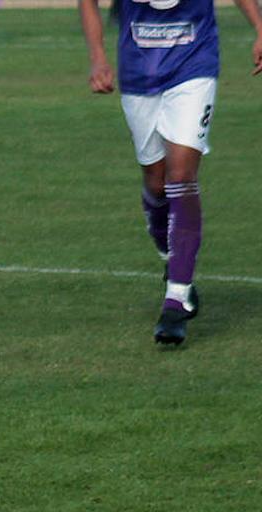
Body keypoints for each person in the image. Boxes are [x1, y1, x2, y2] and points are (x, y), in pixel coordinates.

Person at [79, 0, 262, 345]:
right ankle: (172, 257)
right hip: (139, 72)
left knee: (181, 176)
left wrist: (260, 27)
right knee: (156, 181)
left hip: (194, 66)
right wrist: (98, 58)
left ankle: (176, 298)